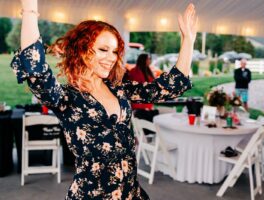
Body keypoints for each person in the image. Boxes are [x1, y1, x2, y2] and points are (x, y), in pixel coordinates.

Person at [12, 0, 197, 199]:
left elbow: (169, 88)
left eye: (115, 51)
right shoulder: (65, 97)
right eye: (103, 49)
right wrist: (30, 8)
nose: (111, 57)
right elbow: (35, 68)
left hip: (131, 193)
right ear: (82, 51)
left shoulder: (120, 89)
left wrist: (188, 39)